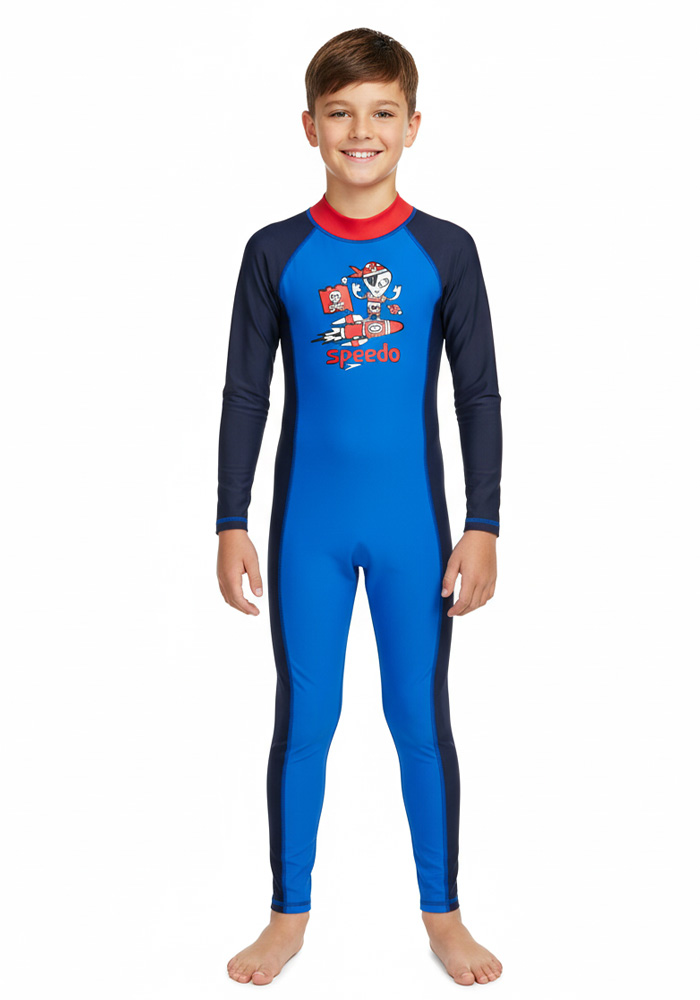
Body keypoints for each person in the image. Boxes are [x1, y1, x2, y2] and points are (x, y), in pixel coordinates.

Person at [217, 27, 504, 988]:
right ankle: (288, 915)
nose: (361, 131)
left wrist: (483, 524)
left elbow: (477, 397)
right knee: (307, 717)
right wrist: (229, 519)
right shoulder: (275, 252)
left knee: (418, 717)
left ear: (414, 125)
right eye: (340, 113)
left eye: (382, 111)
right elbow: (246, 395)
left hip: (414, 528)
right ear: (309, 126)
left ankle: (443, 915)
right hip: (308, 529)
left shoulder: (445, 251)